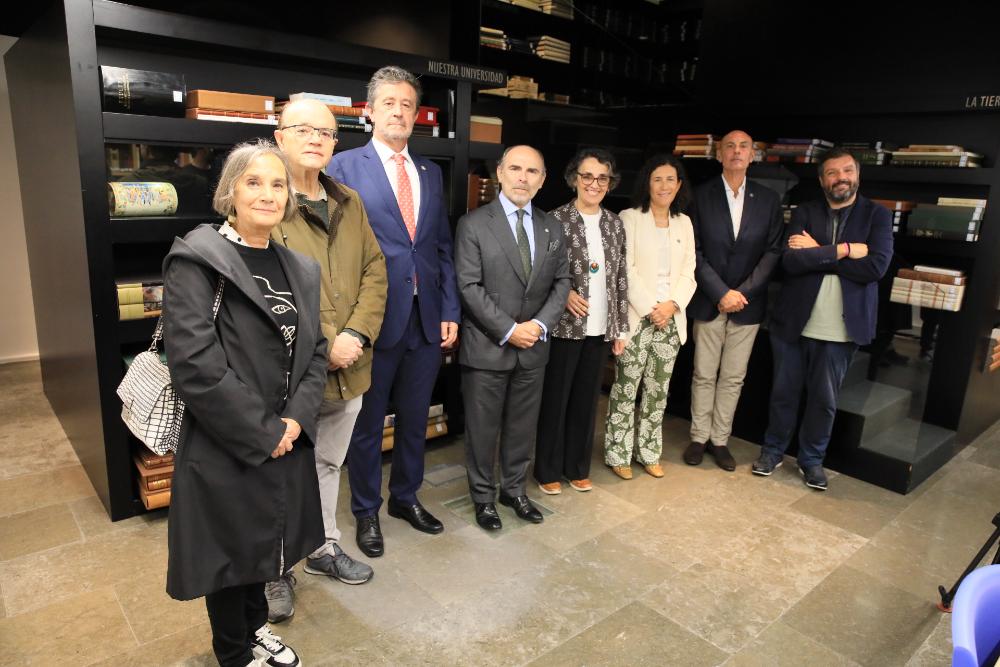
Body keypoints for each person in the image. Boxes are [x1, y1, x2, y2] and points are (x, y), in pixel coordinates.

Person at [163, 140, 327, 667]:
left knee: (264, 545)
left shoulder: (299, 266)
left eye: (277, 184)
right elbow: (196, 366)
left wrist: (296, 419)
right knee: (228, 556)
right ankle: (234, 653)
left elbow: (315, 351)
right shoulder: (196, 260)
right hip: (226, 441)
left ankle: (255, 631)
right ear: (230, 191)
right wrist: (265, 431)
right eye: (253, 182)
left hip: (284, 435)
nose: (267, 194)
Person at [329, 66, 460, 557]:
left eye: (408, 104)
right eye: (389, 103)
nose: (400, 112)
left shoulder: (431, 172)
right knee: (365, 425)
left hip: (426, 320)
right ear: (370, 112)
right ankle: (366, 511)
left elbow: (439, 247)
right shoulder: (344, 167)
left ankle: (406, 497)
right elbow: (337, 252)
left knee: (414, 416)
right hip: (373, 320)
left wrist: (449, 307)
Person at [264, 99, 387, 621]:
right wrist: (330, 340)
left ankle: (322, 547)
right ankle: (273, 569)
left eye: (327, 131)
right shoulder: (263, 200)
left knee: (327, 462)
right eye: (303, 129)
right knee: (275, 473)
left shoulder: (349, 201)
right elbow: (266, 290)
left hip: (350, 367)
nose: (316, 138)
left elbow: (374, 270)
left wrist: (356, 333)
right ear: (279, 137)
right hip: (289, 374)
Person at [754, 148, 892, 490]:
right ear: (822, 180)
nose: (840, 177)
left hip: (841, 328)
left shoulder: (877, 216)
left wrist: (817, 251)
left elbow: (875, 268)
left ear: (857, 174)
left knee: (823, 401)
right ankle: (772, 451)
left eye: (847, 170)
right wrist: (844, 250)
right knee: (783, 393)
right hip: (794, 322)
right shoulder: (805, 211)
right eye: (832, 172)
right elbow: (791, 263)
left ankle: (811, 461)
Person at [454, 144, 571, 530]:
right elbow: (469, 287)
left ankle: (515, 491)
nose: (523, 177)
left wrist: (537, 327)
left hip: (534, 348)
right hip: (488, 346)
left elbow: (562, 283)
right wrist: (508, 329)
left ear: (542, 180)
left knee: (523, 427)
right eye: (516, 169)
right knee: (483, 429)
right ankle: (484, 497)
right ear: (500, 173)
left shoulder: (552, 227)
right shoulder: (473, 224)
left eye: (532, 171)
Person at [684, 130, 783, 471]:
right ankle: (698, 437)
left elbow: (772, 252)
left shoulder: (769, 200)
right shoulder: (700, 196)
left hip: (748, 304)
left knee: (733, 376)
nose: (737, 152)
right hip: (709, 300)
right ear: (719, 155)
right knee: (703, 373)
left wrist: (742, 293)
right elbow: (692, 250)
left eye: (744, 147)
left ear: (753, 155)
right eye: (730, 146)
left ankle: (720, 440)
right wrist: (720, 292)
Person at [534, 148, 628, 495]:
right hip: (564, 325)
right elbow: (541, 273)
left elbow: (620, 278)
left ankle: (577, 467)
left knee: (587, 402)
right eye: (587, 176)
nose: (594, 183)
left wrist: (619, 328)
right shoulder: (554, 220)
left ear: (609, 183)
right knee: (555, 400)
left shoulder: (615, 224)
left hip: (600, 328)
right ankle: (547, 471)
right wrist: (566, 293)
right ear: (574, 179)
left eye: (602, 178)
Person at [604, 154, 696, 480]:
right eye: (657, 179)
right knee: (627, 388)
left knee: (658, 390)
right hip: (638, 316)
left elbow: (689, 271)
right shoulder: (629, 218)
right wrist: (650, 307)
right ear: (647, 183)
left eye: (670, 179)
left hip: (671, 318)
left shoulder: (684, 222)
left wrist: (672, 305)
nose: (664, 185)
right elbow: (622, 268)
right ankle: (617, 452)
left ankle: (649, 451)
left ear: (679, 185)